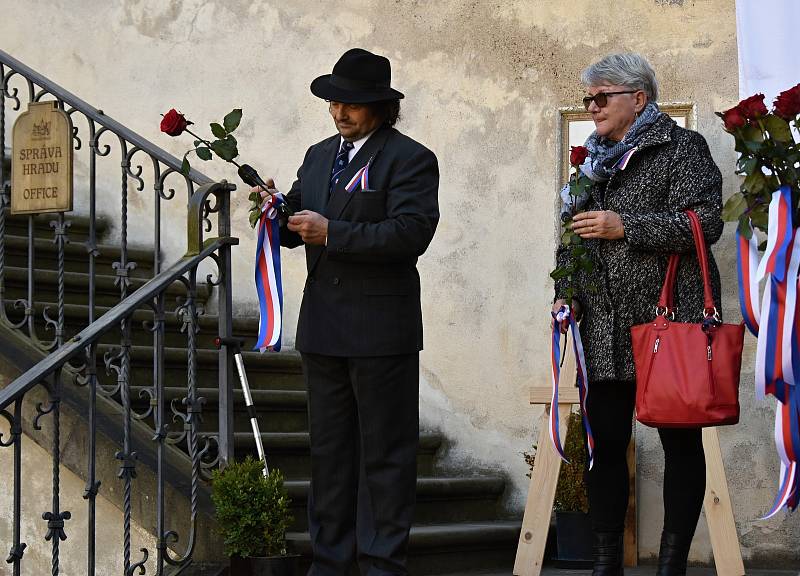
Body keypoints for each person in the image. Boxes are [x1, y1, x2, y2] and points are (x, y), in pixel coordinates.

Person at [257, 48, 439, 576]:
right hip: (324, 328)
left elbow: (411, 233)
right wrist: (276, 213)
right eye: (334, 101)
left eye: (352, 104)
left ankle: (381, 563)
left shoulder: (410, 159)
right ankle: (330, 563)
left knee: (385, 456)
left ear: (381, 107)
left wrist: (333, 232)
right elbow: (299, 219)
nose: (340, 111)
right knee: (330, 457)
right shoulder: (317, 156)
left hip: (382, 331)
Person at [552, 53, 723, 576]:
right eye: (589, 99)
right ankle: (607, 562)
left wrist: (626, 226)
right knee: (604, 445)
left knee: (679, 441)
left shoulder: (682, 148)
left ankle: (671, 563)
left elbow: (705, 222)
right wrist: (566, 291)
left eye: (602, 97)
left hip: (666, 322)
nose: (592, 107)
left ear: (638, 99)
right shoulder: (592, 161)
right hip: (602, 326)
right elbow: (573, 238)